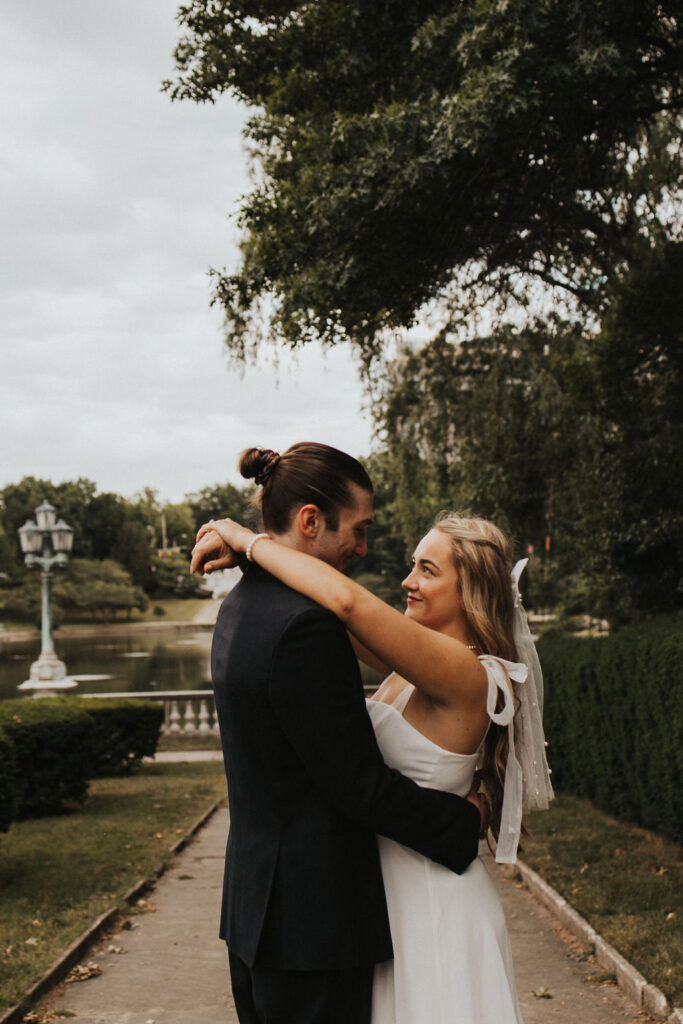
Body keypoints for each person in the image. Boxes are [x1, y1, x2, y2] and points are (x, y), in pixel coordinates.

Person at [193, 493, 554, 1024]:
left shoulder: (468, 673)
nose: (408, 581)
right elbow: (313, 600)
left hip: (431, 904)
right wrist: (253, 560)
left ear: (471, 589)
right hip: (378, 900)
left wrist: (248, 538)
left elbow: (345, 604)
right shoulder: (408, 663)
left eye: (427, 570)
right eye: (412, 564)